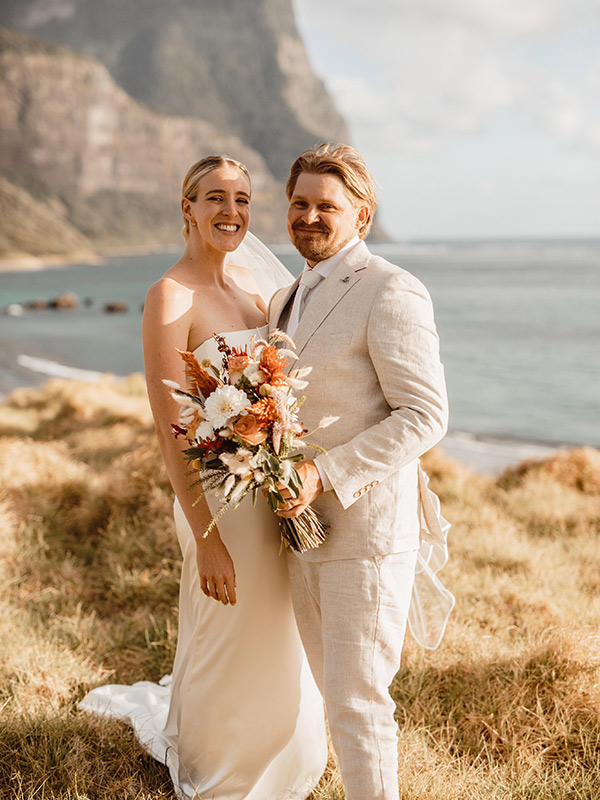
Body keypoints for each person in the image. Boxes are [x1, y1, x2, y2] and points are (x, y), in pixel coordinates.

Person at [79, 156, 328, 800]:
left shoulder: (253, 286)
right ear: (187, 206)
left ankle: (286, 752)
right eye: (215, 198)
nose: (232, 212)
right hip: (216, 500)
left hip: (269, 487)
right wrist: (207, 535)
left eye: (243, 200)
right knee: (229, 632)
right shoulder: (171, 296)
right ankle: (223, 768)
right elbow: (170, 426)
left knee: (281, 626)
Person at [269, 143, 450, 800]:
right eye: (300, 203)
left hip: (367, 534)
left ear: (361, 216)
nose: (310, 216)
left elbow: (425, 415)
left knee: (360, 706)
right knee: (331, 697)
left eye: (327, 206)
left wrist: (323, 474)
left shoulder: (390, 289)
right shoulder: (284, 299)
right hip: (302, 533)